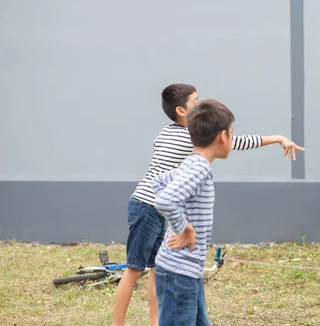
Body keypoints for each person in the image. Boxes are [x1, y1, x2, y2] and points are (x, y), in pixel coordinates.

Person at [112, 84, 303, 326]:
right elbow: (237, 142)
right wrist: (277, 139)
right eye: (196, 102)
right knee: (134, 269)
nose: (200, 105)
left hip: (156, 207)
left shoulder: (167, 132)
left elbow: (161, 179)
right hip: (147, 207)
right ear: (182, 111)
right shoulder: (186, 140)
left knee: (155, 269)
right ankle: (117, 323)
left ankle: (156, 321)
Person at [154, 99, 234, 325]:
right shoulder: (199, 168)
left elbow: (159, 182)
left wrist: (177, 224)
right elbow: (165, 199)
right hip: (179, 273)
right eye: (231, 132)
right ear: (222, 136)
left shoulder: (192, 163)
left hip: (185, 271)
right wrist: (184, 228)